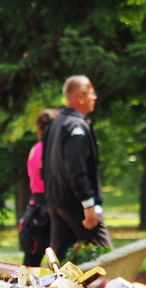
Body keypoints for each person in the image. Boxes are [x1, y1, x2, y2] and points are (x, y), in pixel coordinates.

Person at [42, 75, 113, 261]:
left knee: (59, 263)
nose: (95, 97)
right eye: (91, 93)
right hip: (76, 204)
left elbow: (46, 165)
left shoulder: (54, 124)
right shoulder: (76, 126)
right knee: (107, 258)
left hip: (56, 203)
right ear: (80, 97)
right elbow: (76, 167)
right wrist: (88, 204)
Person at [19, 108, 59, 266]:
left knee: (31, 262)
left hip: (34, 209)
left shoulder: (35, 149)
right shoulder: (55, 150)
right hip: (51, 207)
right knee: (57, 261)